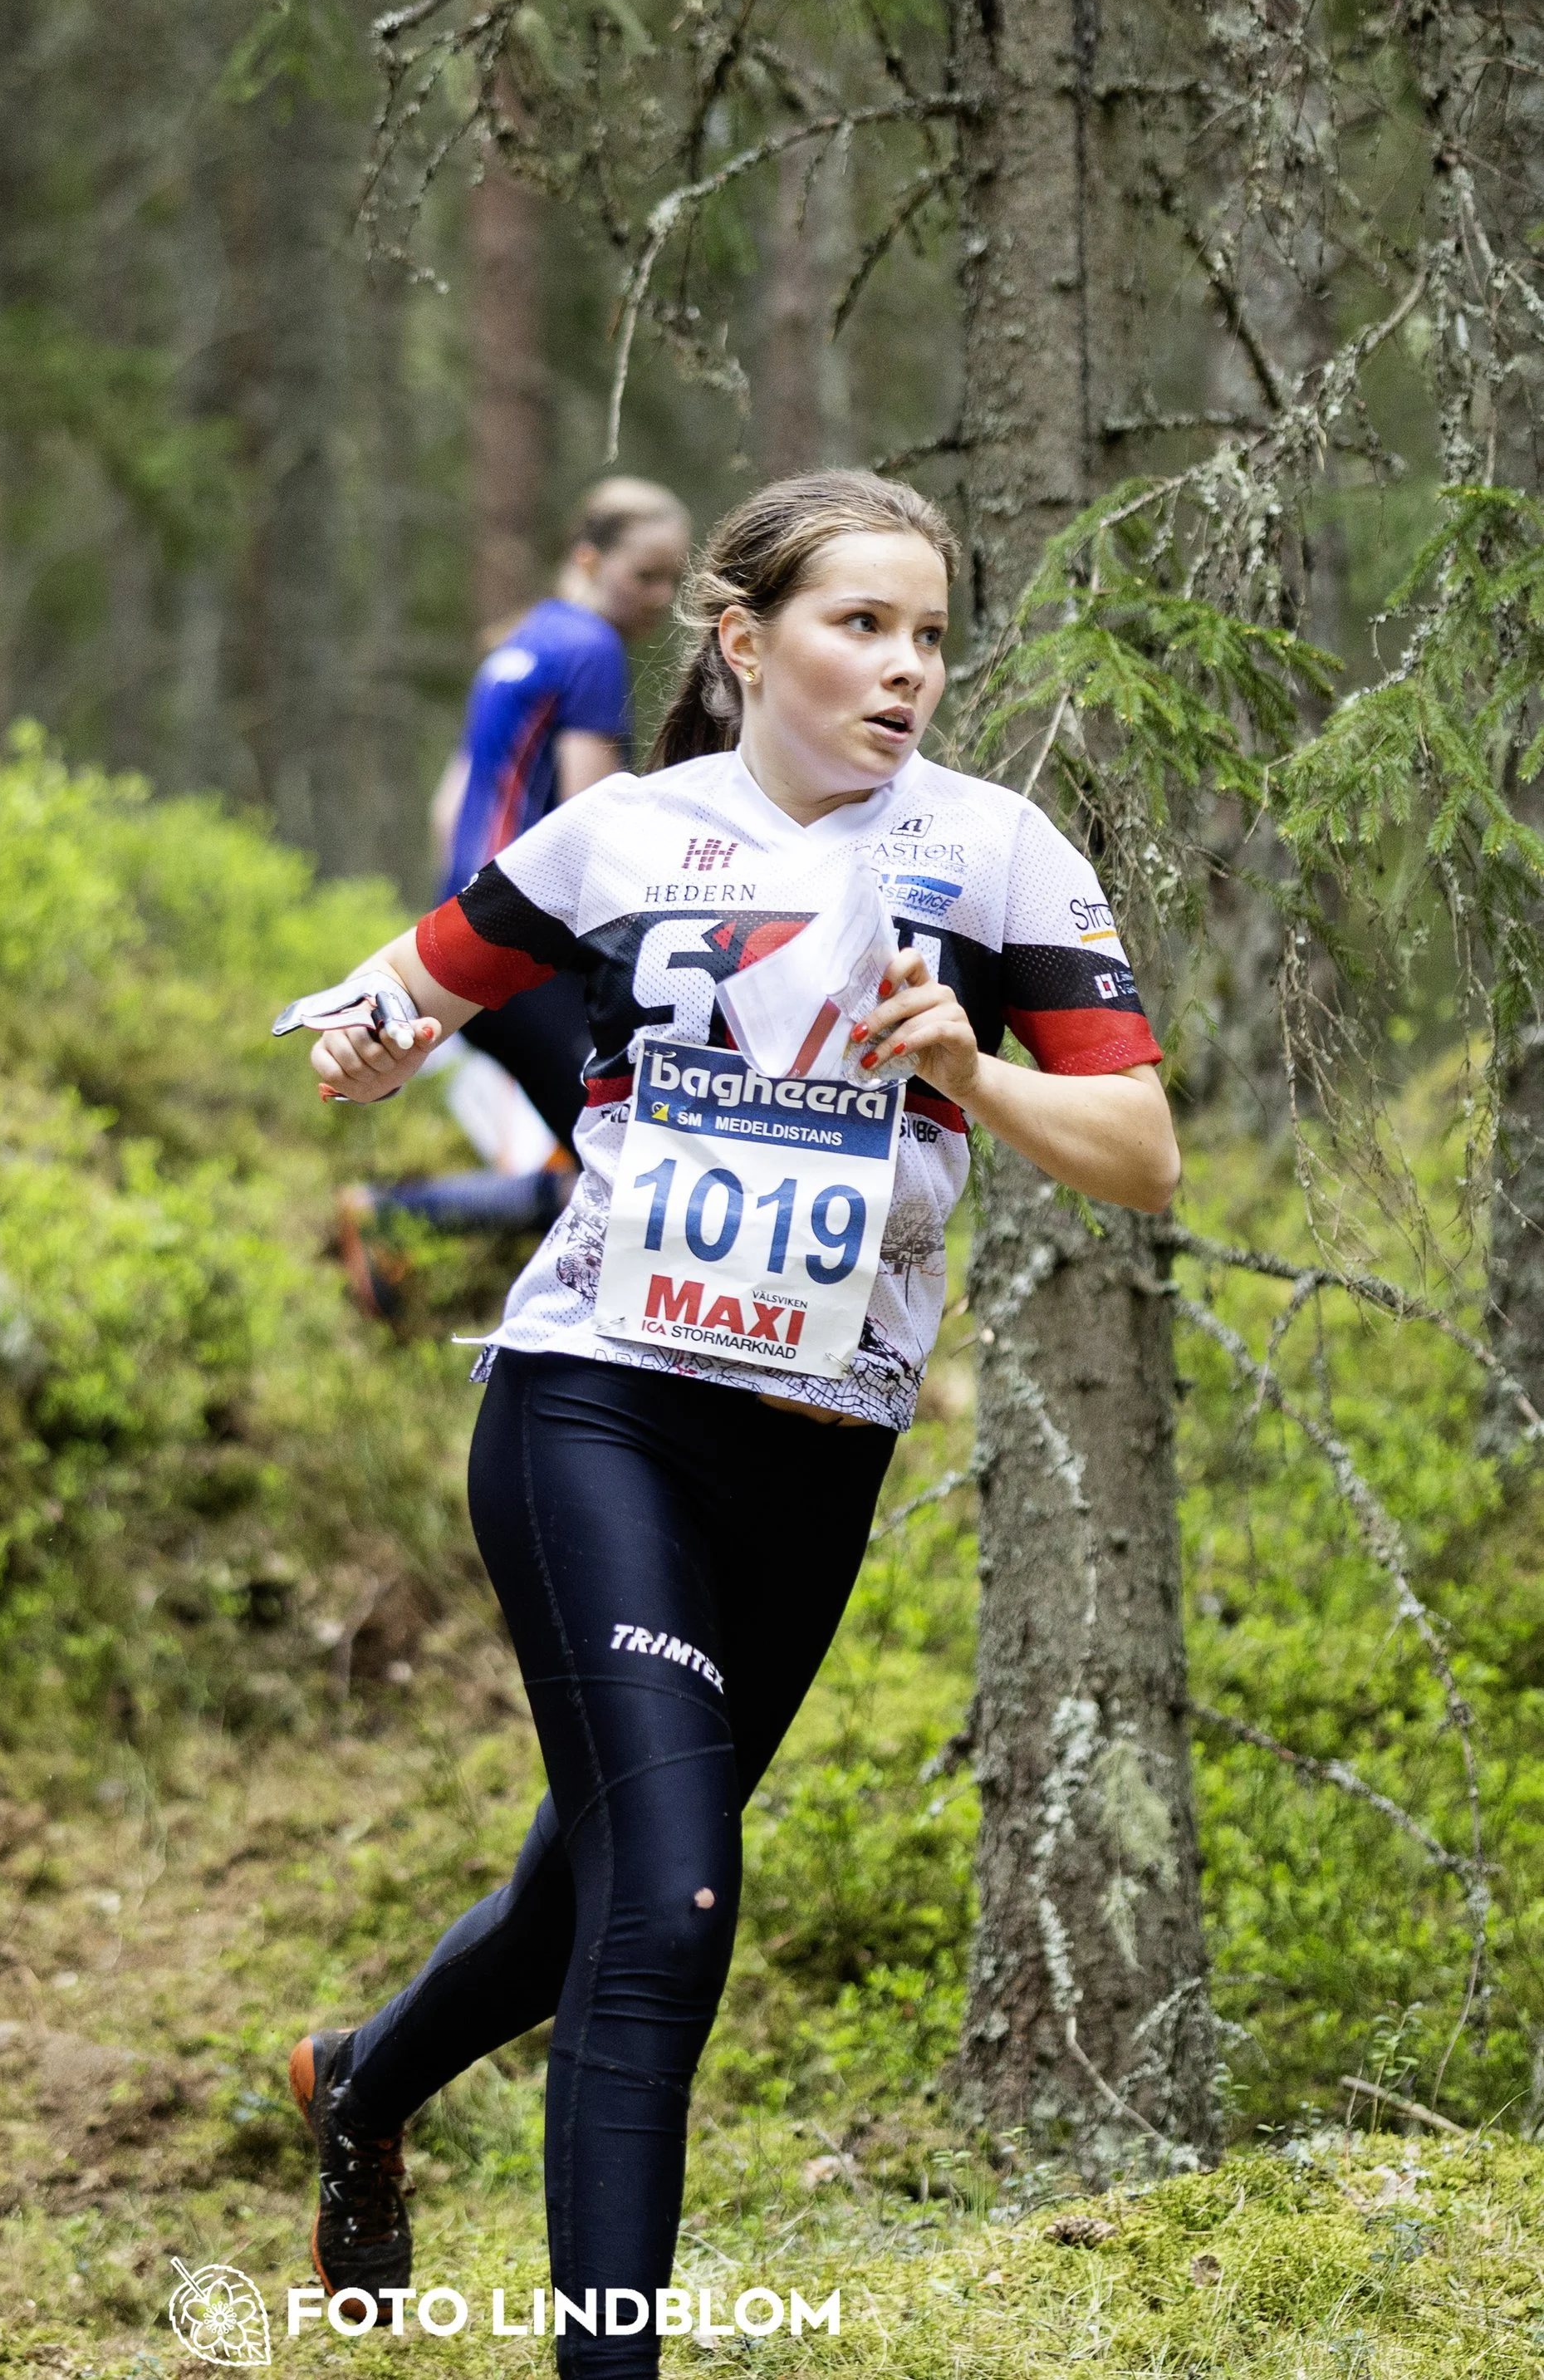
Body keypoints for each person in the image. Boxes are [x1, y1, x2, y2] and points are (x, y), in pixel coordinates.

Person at [280, 470, 1179, 2375]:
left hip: (815, 1442)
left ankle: (360, 2081)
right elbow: (414, 986)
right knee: (673, 1898)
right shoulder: (624, 833)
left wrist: (973, 1070)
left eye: (933, 632)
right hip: (592, 1404)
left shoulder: (1000, 854)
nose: (908, 666)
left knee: (577, 1888)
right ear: (744, 638)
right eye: (864, 624)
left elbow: (1144, 1151)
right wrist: (364, 1040)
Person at [334, 480, 691, 1313]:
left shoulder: (518, 643)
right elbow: (589, 818)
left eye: (674, 578)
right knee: (635, 1162)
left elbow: (446, 807)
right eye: (645, 575)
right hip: (528, 960)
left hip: (472, 943)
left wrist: (452, 932)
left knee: (596, 1152)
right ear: (588, 557)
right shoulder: (593, 651)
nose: (659, 598)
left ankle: (398, 1220)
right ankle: (406, 1225)